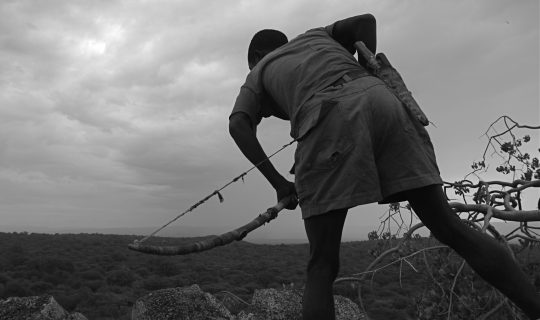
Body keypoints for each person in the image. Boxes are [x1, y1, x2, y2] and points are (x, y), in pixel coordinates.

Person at [228, 14, 540, 320]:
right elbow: (365, 21)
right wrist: (366, 70)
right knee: (450, 228)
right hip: (385, 101)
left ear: (256, 57)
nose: (269, 114)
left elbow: (239, 126)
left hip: (328, 117)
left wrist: (280, 184)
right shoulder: (317, 36)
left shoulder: (259, 71)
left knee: (321, 263)